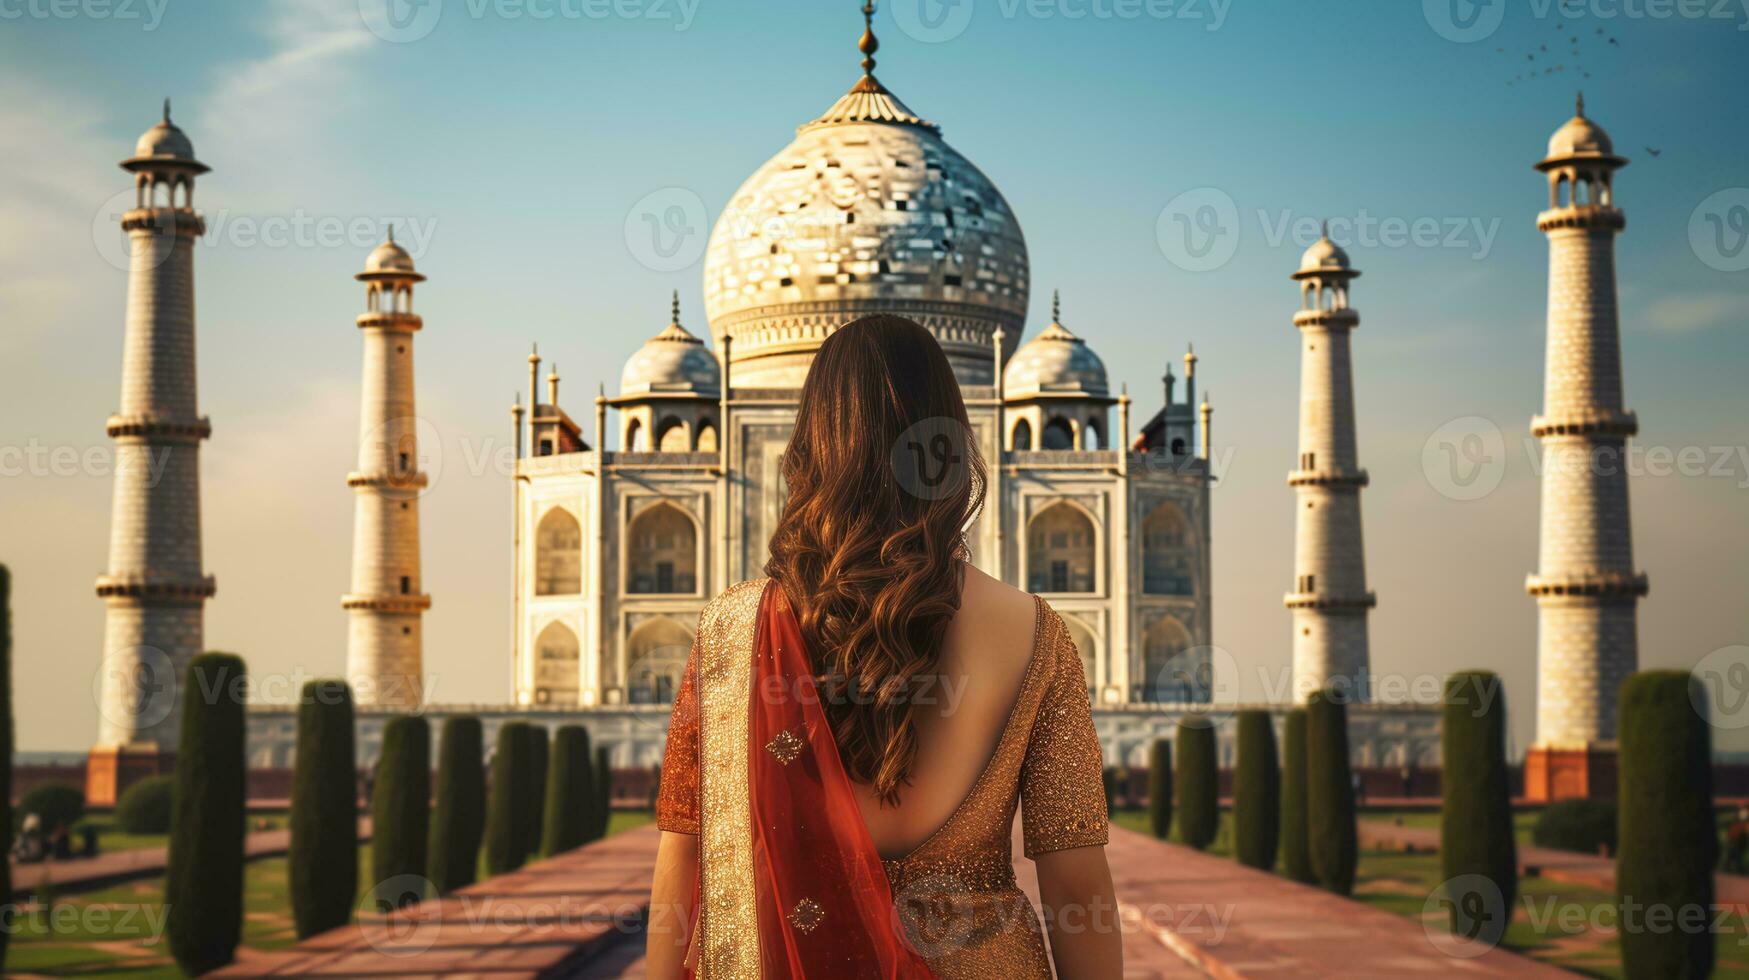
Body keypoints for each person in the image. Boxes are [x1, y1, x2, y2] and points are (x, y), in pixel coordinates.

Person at [646, 316, 1122, 978]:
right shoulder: (1032, 631)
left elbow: (683, 862)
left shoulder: (734, 629)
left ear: (807, 446)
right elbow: (1077, 885)